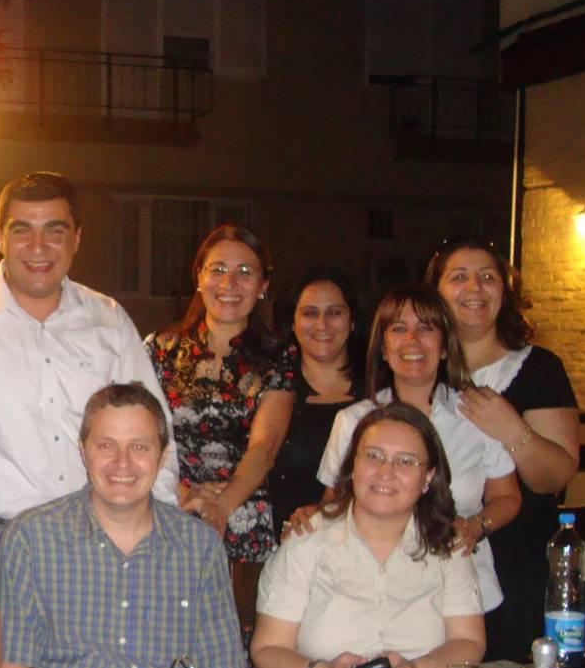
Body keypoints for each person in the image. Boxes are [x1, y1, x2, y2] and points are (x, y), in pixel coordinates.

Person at [0, 171, 178, 557]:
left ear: (77, 238)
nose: (38, 247)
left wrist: (160, 532)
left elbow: (155, 433)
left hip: (100, 542)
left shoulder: (109, 320)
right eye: (22, 230)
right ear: (0, 236)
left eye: (55, 231)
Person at [0, 383, 243, 668]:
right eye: (106, 445)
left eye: (139, 447)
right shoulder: (30, 539)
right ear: (83, 452)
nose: (122, 462)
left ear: (162, 456)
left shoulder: (200, 546)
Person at [311, 284, 521, 612]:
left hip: (461, 588)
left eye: (426, 328)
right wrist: (308, 517)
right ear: (383, 348)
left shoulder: (478, 415)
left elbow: (507, 497)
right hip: (371, 593)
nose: (412, 340)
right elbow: (334, 504)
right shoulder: (352, 421)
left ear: (444, 346)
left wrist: (476, 527)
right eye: (398, 329)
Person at [253, 404, 485, 668]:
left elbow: (468, 642)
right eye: (373, 456)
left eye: (406, 461)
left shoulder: (448, 545)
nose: (386, 472)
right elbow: (267, 650)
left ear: (428, 477)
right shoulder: (307, 539)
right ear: (352, 466)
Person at [427, 238, 580, 661]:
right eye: (458, 277)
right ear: (436, 292)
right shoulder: (418, 366)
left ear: (504, 292)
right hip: (431, 563)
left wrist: (511, 429)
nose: (474, 287)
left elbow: (554, 477)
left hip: (517, 560)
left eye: (487, 277)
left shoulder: (539, 368)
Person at [145, 224, 296, 627]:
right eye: (218, 269)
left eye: (245, 272)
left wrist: (220, 509)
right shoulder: (159, 349)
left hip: (242, 521)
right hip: (169, 513)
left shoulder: (278, 356)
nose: (230, 283)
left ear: (263, 286)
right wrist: (182, 493)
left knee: (236, 645)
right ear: (199, 277)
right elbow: (144, 436)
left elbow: (265, 446)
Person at [267, 267, 366, 536]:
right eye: (310, 313)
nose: (322, 325)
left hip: (358, 542)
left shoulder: (377, 393)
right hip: (282, 541)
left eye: (334, 313)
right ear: (292, 322)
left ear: (353, 321)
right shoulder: (271, 389)